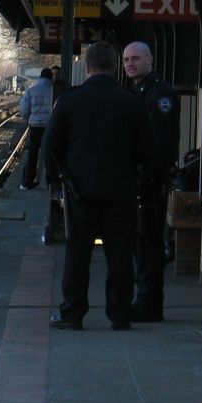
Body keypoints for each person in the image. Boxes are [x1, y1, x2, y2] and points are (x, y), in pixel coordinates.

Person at [44, 41, 154, 331]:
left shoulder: (69, 100)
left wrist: (55, 181)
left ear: (88, 67)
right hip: (122, 192)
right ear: (116, 67)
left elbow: (50, 146)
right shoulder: (133, 102)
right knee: (119, 255)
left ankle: (72, 313)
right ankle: (119, 314)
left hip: (80, 192)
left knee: (77, 252)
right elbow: (148, 151)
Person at [122, 40, 180, 322]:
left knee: (148, 245)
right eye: (126, 60)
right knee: (142, 244)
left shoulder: (159, 96)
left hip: (150, 184)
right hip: (144, 182)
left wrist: (144, 180)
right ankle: (145, 299)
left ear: (150, 60)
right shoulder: (142, 92)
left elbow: (157, 145)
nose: (130, 64)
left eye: (135, 59)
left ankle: (149, 303)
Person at [18, 67, 53, 190]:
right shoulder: (53, 90)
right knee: (49, 153)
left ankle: (28, 181)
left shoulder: (31, 90)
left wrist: (30, 119)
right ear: (51, 77)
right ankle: (49, 181)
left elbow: (23, 109)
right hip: (49, 126)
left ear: (40, 77)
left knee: (33, 153)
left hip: (35, 126)